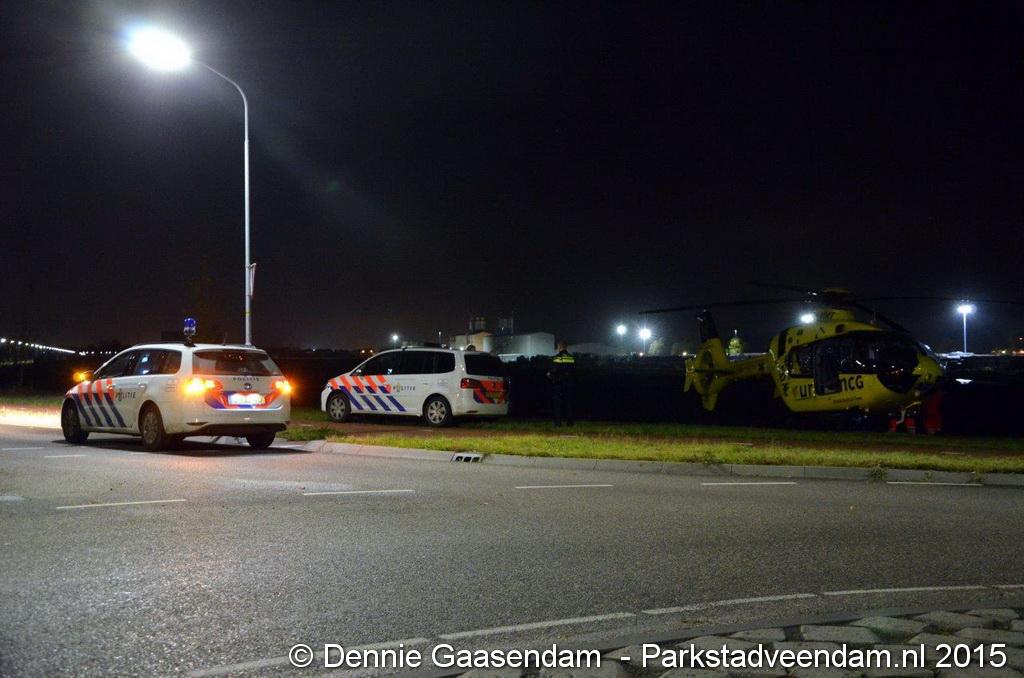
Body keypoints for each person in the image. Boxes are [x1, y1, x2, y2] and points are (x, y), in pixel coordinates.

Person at [547, 340, 576, 427]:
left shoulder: (557, 357)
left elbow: (554, 370)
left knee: (557, 404)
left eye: (557, 347)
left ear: (560, 347)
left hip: (558, 383)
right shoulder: (571, 358)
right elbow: (574, 370)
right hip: (569, 383)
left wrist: (549, 375)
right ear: (566, 347)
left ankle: (558, 423)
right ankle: (570, 422)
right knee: (569, 403)